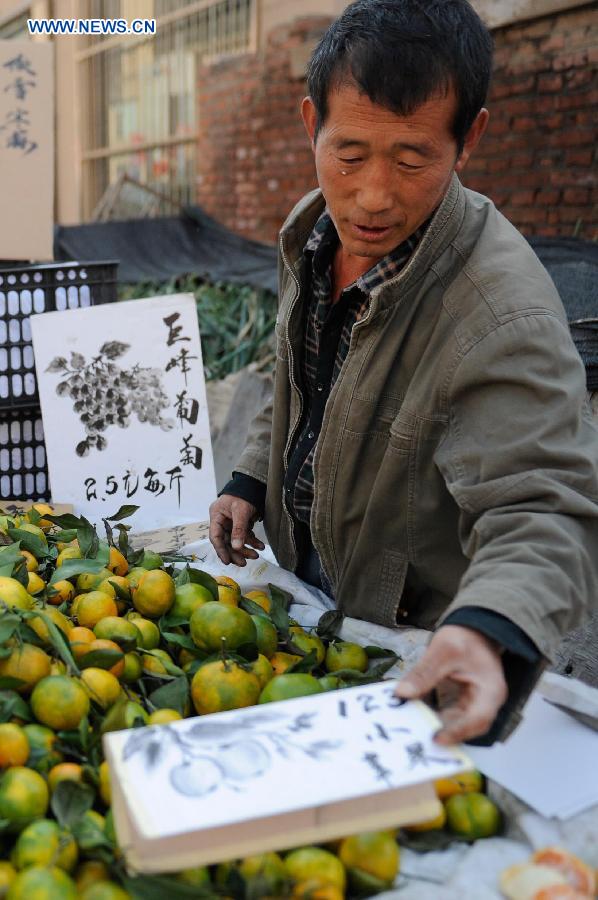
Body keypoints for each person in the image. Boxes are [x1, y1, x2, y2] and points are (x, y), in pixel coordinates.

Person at [209, 0, 598, 746]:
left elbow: (545, 505)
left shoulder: (500, 311)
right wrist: (252, 477)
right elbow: (302, 376)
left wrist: (490, 627)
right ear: (310, 125)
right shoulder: (314, 230)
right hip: (305, 585)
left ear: (469, 138)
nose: (374, 196)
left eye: (413, 158)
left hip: (408, 637)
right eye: (348, 154)